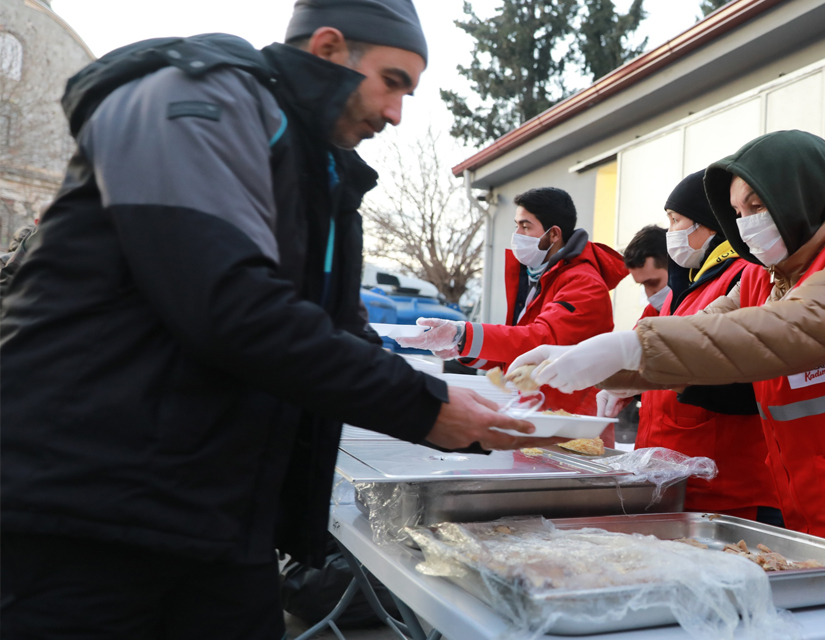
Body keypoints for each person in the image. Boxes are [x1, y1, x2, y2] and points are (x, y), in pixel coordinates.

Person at [0, 2, 552, 638]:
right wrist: (426, 406)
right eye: (393, 81)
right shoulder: (191, 100)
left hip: (214, 515)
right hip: (84, 512)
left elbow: (337, 332)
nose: (397, 112)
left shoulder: (319, 168)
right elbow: (228, 304)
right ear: (327, 49)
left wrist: (458, 410)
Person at [512, 131, 825, 639]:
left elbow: (791, 328)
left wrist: (632, 349)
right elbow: (707, 331)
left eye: (757, 204)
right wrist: (585, 359)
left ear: (800, 194)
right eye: (738, 210)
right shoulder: (765, 279)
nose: (747, 222)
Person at [601, 170, 780, 523]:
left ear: (706, 224)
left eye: (675, 220)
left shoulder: (743, 276)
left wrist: (655, 375)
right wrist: (626, 384)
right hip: (670, 482)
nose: (671, 232)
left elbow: (739, 372)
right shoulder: (683, 288)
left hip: (727, 487)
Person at [398, 187, 626, 416]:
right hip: (537, 414)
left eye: (525, 226)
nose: (517, 234)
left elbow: (539, 342)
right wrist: (464, 348)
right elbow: (517, 354)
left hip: (570, 423)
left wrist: (463, 334)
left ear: (554, 234)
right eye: (516, 225)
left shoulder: (584, 284)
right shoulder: (539, 276)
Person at [622, 224, 670, 321]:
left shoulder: (706, 307)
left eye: (653, 283)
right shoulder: (651, 313)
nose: (650, 295)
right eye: (642, 285)